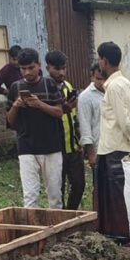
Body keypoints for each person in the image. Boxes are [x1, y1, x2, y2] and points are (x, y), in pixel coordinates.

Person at [96, 41, 130, 242]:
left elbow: (125, 119)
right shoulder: (126, 83)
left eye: (99, 59)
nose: (99, 63)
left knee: (115, 196)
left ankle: (120, 234)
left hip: (114, 148)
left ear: (104, 61)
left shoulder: (115, 87)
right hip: (120, 147)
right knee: (118, 193)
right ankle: (120, 233)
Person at [6, 48, 64, 209]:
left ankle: (57, 231)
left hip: (51, 147)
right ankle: (33, 230)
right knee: (30, 197)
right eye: (23, 69)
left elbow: (59, 112)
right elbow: (10, 122)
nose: (27, 72)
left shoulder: (49, 84)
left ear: (38, 65)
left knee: (55, 196)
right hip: (26, 148)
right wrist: (16, 106)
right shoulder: (15, 88)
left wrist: (39, 104)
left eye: (31, 68)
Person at [45, 50, 84, 210]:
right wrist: (64, 109)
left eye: (63, 68)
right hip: (55, 148)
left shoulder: (68, 86)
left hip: (72, 147)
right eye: (57, 69)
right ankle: (61, 219)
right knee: (57, 188)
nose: (61, 72)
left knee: (79, 185)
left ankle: (70, 213)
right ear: (48, 68)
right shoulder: (44, 87)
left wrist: (80, 138)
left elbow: (74, 117)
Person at [77, 62, 105, 210]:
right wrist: (91, 153)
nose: (102, 83)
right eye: (98, 79)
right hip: (98, 149)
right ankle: (99, 219)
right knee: (99, 187)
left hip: (115, 148)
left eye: (104, 78)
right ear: (92, 77)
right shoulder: (86, 97)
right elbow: (85, 128)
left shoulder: (114, 90)